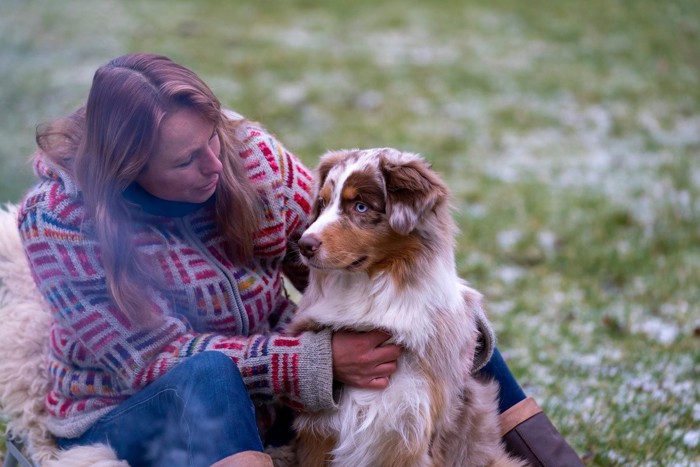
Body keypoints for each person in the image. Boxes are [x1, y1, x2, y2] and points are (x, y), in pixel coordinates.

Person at [18, 53, 581, 466]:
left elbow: (330, 259)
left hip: (276, 388)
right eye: (186, 160)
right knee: (208, 375)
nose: (214, 165)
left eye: (212, 140)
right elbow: (151, 362)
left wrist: (440, 324)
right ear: (127, 170)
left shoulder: (248, 157)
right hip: (136, 408)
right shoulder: (61, 219)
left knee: (453, 314)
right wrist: (315, 364)